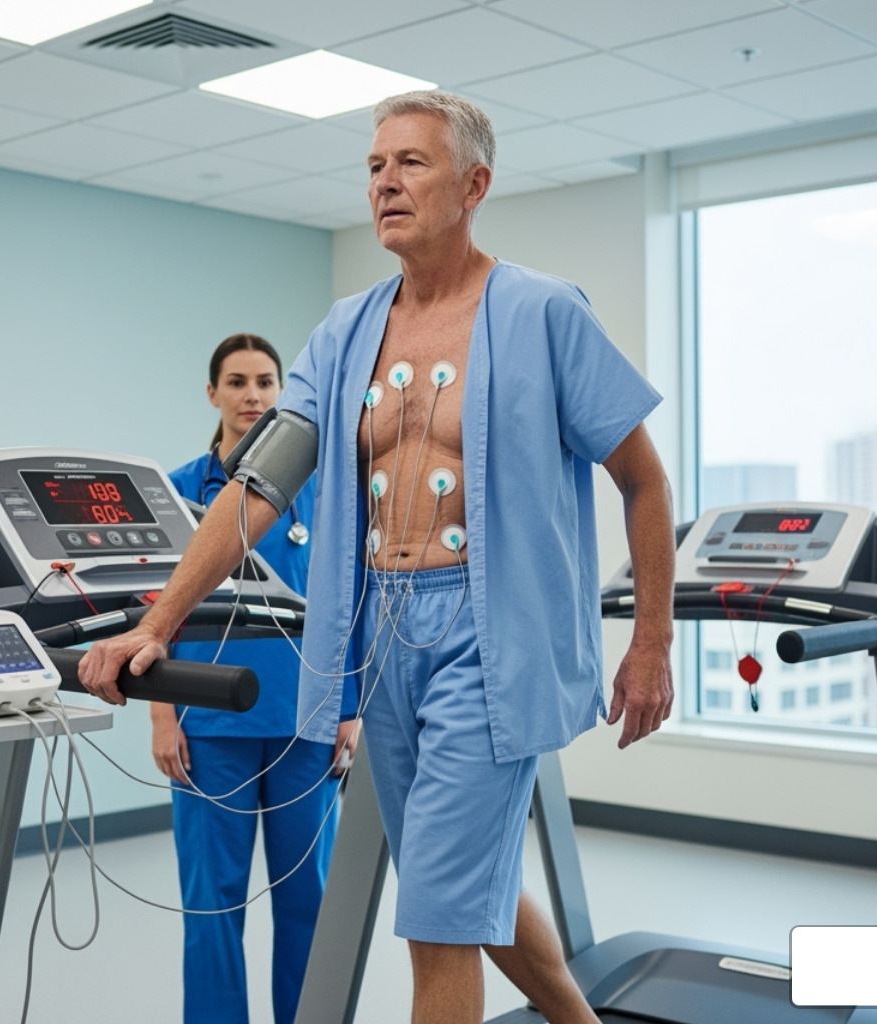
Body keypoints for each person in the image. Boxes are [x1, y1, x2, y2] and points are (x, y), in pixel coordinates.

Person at [82, 92, 676, 1024]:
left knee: (435, 920)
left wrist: (652, 642)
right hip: (380, 636)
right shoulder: (346, 330)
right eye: (373, 166)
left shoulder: (544, 312)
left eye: (411, 163)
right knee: (459, 883)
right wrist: (154, 624)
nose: (385, 182)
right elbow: (256, 488)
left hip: (489, 634)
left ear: (474, 184)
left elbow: (644, 481)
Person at [159, 333, 357, 1024]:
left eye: (266, 382)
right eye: (237, 382)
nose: (252, 395)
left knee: (309, 901)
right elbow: (157, 609)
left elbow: (346, 597)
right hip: (209, 725)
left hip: (306, 717)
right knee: (211, 902)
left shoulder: (319, 489)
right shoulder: (182, 490)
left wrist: (351, 707)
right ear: (212, 393)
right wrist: (161, 715)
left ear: (282, 392)